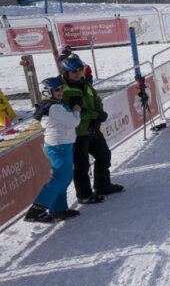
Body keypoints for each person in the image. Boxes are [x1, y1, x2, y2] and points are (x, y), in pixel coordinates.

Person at [61, 57, 121, 204]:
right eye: (73, 71)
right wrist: (95, 116)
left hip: (92, 129)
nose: (77, 73)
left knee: (104, 155)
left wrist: (98, 116)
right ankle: (84, 195)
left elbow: (96, 100)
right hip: (77, 133)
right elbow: (75, 112)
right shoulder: (64, 90)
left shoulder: (84, 83)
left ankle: (102, 185)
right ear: (66, 72)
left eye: (80, 70)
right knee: (81, 165)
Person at [24, 77, 81, 223]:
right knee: (61, 177)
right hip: (59, 145)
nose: (60, 92)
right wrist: (76, 110)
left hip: (62, 144)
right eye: (57, 90)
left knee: (65, 177)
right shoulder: (54, 107)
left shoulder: (53, 105)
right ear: (48, 92)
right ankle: (37, 209)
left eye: (61, 89)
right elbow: (74, 122)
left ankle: (58, 209)